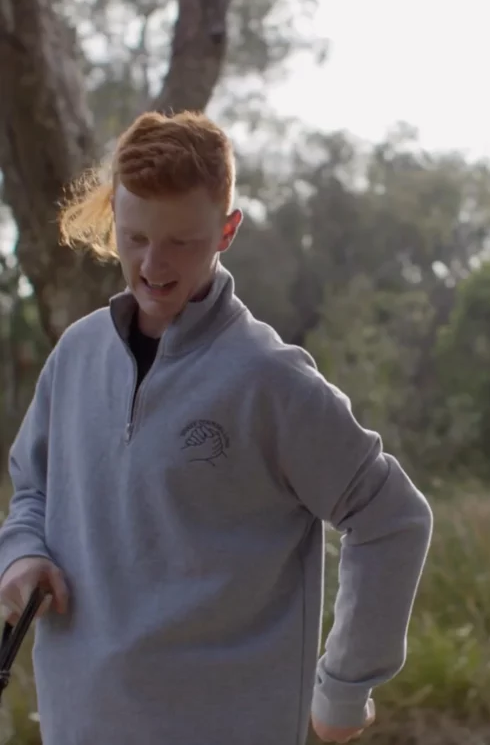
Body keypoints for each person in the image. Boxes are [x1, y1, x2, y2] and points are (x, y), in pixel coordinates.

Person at [0, 110, 434, 744]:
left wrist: (344, 688)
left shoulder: (270, 379)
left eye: (183, 241)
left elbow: (391, 517)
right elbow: (32, 491)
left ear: (227, 230)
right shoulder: (75, 355)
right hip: (79, 723)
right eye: (136, 236)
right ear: (114, 215)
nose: (153, 264)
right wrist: (23, 556)